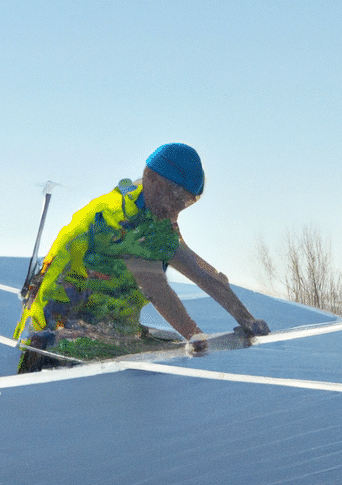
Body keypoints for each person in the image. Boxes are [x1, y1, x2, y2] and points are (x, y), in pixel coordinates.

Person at [14, 143, 268, 370]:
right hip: (58, 328)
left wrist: (246, 318)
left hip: (108, 323)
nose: (176, 207)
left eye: (185, 201)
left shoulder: (155, 219)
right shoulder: (120, 219)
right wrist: (194, 335)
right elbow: (156, 289)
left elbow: (201, 271)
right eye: (173, 195)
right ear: (150, 178)